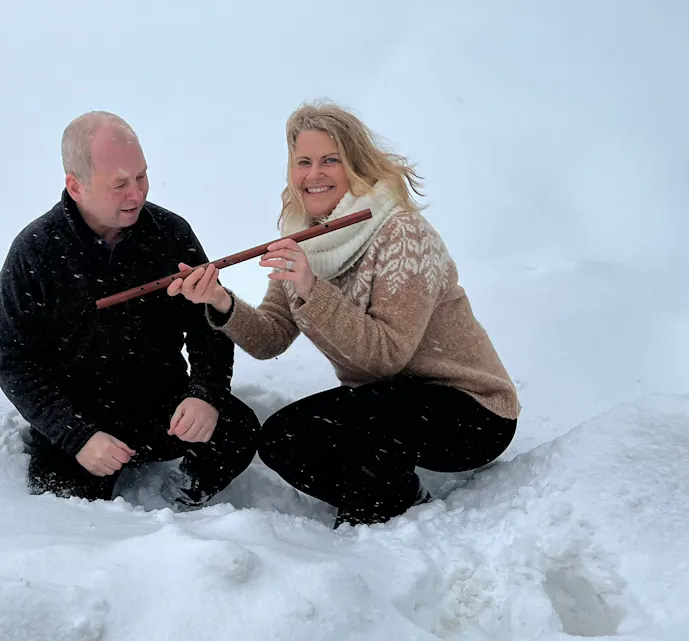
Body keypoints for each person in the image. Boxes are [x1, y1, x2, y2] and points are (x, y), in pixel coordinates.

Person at [167, 101, 521, 527]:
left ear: (355, 164)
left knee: (330, 434)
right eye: (303, 162)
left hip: (471, 413)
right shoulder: (304, 236)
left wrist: (311, 289)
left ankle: (391, 509)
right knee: (283, 440)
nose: (314, 174)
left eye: (330, 160)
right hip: (390, 402)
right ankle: (397, 493)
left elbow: (386, 355)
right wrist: (220, 301)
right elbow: (270, 337)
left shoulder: (401, 233)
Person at [0, 111, 260, 509]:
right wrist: (76, 436)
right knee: (65, 514)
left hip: (161, 405)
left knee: (239, 431)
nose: (136, 194)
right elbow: (12, 360)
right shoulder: (36, 251)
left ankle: (181, 504)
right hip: (79, 415)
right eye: (119, 185)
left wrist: (205, 393)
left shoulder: (170, 234)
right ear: (76, 186)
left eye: (141, 177)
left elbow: (208, 326)